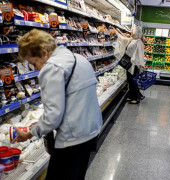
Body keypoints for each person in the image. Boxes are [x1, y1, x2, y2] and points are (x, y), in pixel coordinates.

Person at [12, 29, 103, 179]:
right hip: (91, 131)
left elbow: (53, 117)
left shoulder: (51, 68)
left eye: (33, 63)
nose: (35, 69)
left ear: (44, 52)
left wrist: (30, 133)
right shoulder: (80, 59)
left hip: (72, 139)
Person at [114, 26, 146, 104]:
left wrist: (142, 65)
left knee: (134, 81)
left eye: (132, 31)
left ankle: (136, 98)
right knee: (129, 80)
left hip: (135, 65)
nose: (131, 32)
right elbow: (122, 39)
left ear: (136, 32)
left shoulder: (139, 42)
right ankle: (131, 96)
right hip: (128, 64)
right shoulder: (131, 40)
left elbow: (141, 54)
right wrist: (115, 31)